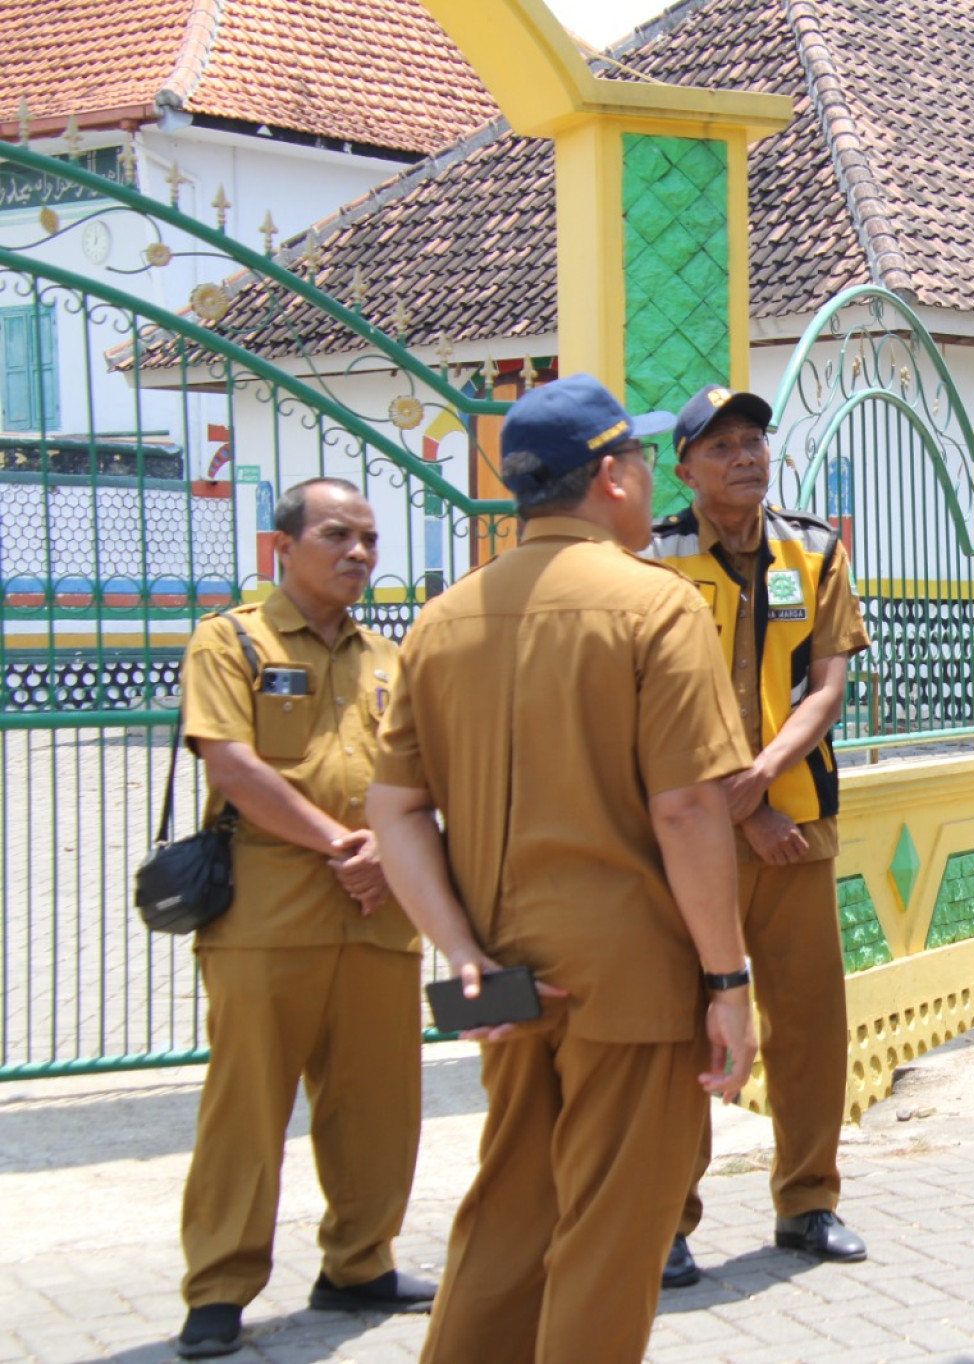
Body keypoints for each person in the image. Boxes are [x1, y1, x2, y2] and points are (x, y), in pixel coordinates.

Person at [366, 374, 758, 1364]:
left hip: (496, 973)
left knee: (508, 1208)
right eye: (637, 457)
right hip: (630, 975)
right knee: (610, 1229)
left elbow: (395, 808)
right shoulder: (655, 606)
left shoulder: (443, 616)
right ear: (613, 476)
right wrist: (726, 979)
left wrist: (457, 953)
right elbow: (684, 807)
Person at [173, 477, 432, 1359]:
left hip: (378, 916)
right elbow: (233, 768)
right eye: (337, 536)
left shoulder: (393, 660)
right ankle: (218, 1289)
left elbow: (424, 777)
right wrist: (342, 845)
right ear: (281, 547)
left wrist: (383, 858)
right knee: (247, 1111)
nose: (358, 553)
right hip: (268, 913)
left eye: (369, 539)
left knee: (379, 1107)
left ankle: (360, 1264)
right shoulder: (230, 641)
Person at [649, 384, 871, 1281]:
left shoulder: (813, 549)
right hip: (688, 838)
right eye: (723, 445)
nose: (746, 456)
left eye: (755, 440)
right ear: (685, 467)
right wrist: (740, 805)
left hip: (796, 832)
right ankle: (667, 1215)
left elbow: (826, 685)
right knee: (681, 1027)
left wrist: (765, 778)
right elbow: (643, 700)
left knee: (811, 1024)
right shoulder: (650, 556)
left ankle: (809, 1202)